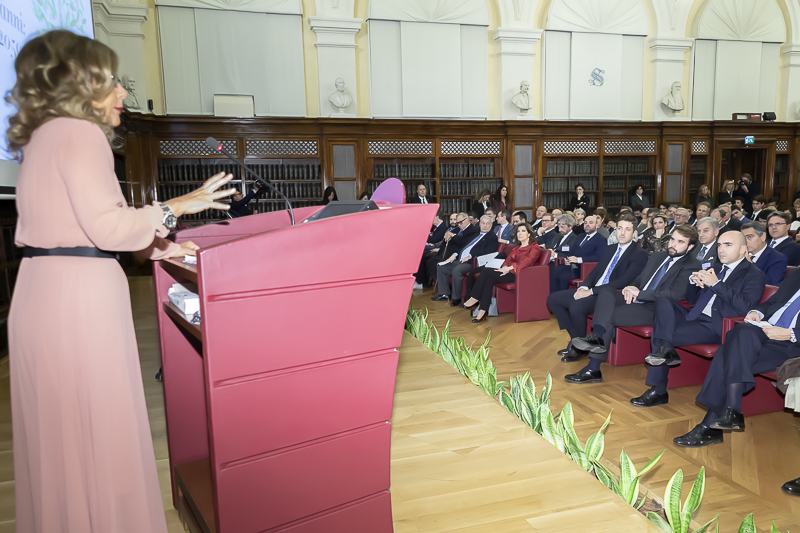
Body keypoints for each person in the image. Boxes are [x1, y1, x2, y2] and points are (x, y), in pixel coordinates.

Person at [6, 30, 237, 533]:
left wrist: (167, 246)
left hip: (41, 292)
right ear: (81, 83)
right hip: (78, 304)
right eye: (112, 80)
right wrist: (176, 206)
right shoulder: (79, 133)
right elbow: (107, 227)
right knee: (100, 435)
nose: (123, 93)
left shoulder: (42, 137)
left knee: (62, 444)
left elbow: (81, 226)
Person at [673, 267, 800, 448]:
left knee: (726, 352)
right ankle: (731, 410)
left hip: (791, 344)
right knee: (742, 331)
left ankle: (713, 424)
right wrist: (757, 312)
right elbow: (775, 301)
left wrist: (791, 334)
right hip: (766, 330)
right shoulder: (796, 274)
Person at [566, 226, 699, 381]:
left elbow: (675, 294)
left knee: (607, 315)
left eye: (680, 242)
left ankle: (593, 368)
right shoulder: (658, 256)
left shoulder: (691, 265)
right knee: (606, 292)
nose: (673, 244)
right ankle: (597, 337)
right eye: (672, 239)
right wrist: (632, 286)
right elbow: (641, 279)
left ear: (690, 247)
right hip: (636, 297)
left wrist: (640, 293)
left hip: (655, 308)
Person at [639, 232, 765, 384]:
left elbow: (746, 306)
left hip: (715, 323)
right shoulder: (716, 268)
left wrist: (716, 284)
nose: (721, 249)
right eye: (719, 245)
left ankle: (657, 390)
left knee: (660, 335)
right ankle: (666, 351)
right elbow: (693, 299)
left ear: (742, 249)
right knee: (663, 300)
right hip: (694, 315)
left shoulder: (754, 274)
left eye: (728, 245)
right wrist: (693, 283)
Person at [546, 215, 648, 359]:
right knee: (553, 299)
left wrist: (591, 292)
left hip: (609, 295)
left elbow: (624, 281)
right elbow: (595, 272)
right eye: (619, 228)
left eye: (627, 229)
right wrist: (585, 287)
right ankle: (576, 340)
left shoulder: (639, 254)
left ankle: (577, 348)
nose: (622, 233)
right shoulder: (610, 248)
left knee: (577, 306)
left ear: (634, 233)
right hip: (593, 290)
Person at [462, 222, 541, 322]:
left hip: (521, 275)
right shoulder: (516, 248)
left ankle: (475, 298)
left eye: (523, 231)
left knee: (486, 271)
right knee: (488, 279)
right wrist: (504, 267)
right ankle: (483, 311)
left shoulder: (534, 247)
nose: (519, 233)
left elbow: (527, 262)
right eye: (518, 231)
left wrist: (508, 269)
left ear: (529, 234)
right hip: (509, 272)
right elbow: (506, 261)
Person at [434, 215, 498, 307]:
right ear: (479, 224)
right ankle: (444, 294)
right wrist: (455, 254)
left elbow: (488, 251)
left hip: (473, 263)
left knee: (456, 270)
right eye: (483, 223)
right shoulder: (476, 234)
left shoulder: (492, 237)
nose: (485, 225)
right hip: (460, 259)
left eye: (488, 223)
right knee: (441, 266)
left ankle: (456, 298)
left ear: (491, 225)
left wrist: (470, 256)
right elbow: (464, 246)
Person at [549, 214, 607, 292]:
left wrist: (579, 260)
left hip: (584, 268)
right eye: (586, 223)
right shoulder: (580, 236)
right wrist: (567, 259)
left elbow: (598, 257)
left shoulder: (601, 239)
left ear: (597, 225)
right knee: (554, 271)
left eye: (590, 223)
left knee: (564, 277)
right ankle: (552, 297)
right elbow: (572, 251)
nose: (587, 225)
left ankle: (562, 299)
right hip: (572, 265)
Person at [742, 221, 788, 285]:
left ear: (763, 236)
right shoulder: (739, 255)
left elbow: (771, 284)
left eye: (749, 237)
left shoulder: (778, 259)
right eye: (743, 238)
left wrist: (749, 264)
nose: (745, 241)